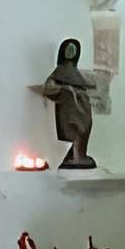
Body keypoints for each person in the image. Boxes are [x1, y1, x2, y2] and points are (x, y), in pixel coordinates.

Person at [42, 36, 97, 168]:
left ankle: (77, 156)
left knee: (85, 127)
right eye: (69, 49)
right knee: (77, 129)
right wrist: (65, 89)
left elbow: (80, 85)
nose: (71, 52)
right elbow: (49, 87)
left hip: (82, 106)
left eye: (74, 50)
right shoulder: (59, 71)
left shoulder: (75, 71)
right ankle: (76, 157)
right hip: (70, 108)